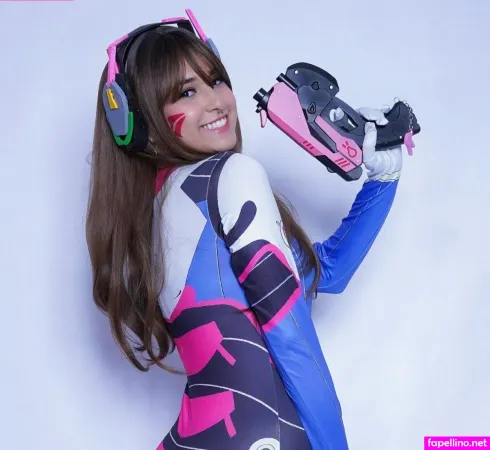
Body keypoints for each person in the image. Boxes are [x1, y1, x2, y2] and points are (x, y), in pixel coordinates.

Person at [86, 16, 406, 450]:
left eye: (216, 80)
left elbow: (325, 273)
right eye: (186, 93)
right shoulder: (232, 175)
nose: (216, 101)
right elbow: (290, 336)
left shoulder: (154, 212)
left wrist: (382, 182)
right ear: (140, 121)